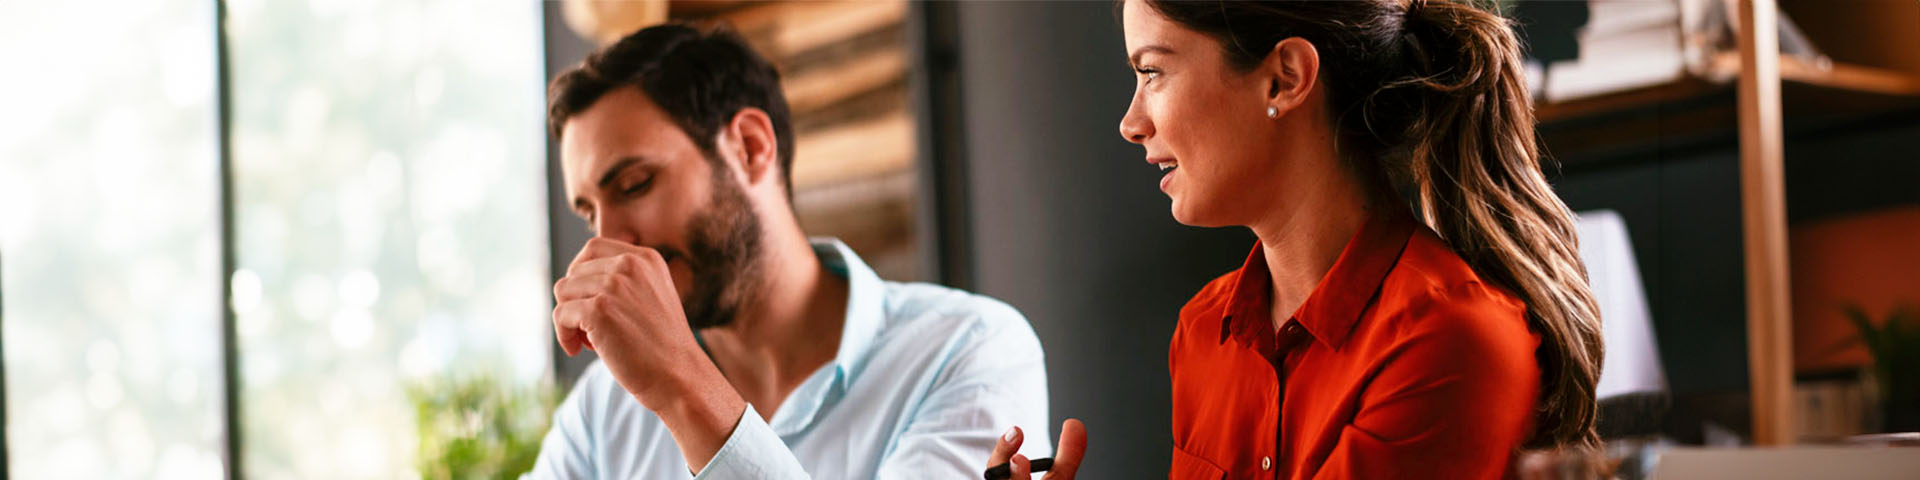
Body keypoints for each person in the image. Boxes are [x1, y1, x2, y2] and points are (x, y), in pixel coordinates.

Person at [992, 0, 1605, 478]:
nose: (1131, 123)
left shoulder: (1451, 341)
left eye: (1152, 72)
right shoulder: (1204, 333)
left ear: (1285, 78)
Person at [526, 24, 1052, 479]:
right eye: (589, 212)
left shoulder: (966, 353)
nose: (608, 241)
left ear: (751, 147)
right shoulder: (604, 410)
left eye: (636, 184)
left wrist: (683, 386)